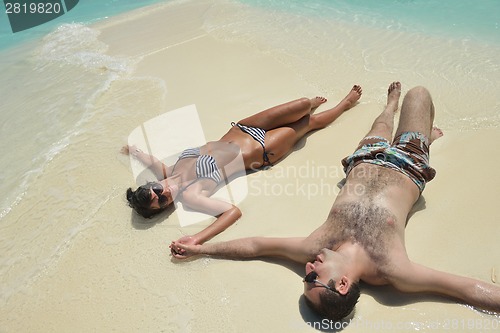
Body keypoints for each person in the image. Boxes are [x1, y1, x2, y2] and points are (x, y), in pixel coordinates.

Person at [170, 82, 500, 321]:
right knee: (420, 93)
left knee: (382, 122)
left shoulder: (316, 246)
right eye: (313, 277)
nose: (308, 268)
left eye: (307, 275)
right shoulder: (393, 270)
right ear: (342, 284)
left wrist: (201, 247)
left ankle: (389, 104)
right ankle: (424, 133)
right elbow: (465, 288)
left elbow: (256, 246)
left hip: (364, 157)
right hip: (409, 162)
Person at [123, 85, 363, 248]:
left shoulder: (168, 172)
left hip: (242, 128)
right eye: (162, 201)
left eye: (155, 190)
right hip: (263, 149)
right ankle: (345, 104)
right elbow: (232, 212)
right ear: (166, 208)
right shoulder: (191, 195)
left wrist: (132, 150)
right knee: (308, 122)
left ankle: (310, 104)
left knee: (301, 104)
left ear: (152, 184)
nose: (162, 193)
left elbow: (150, 160)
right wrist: (197, 238)